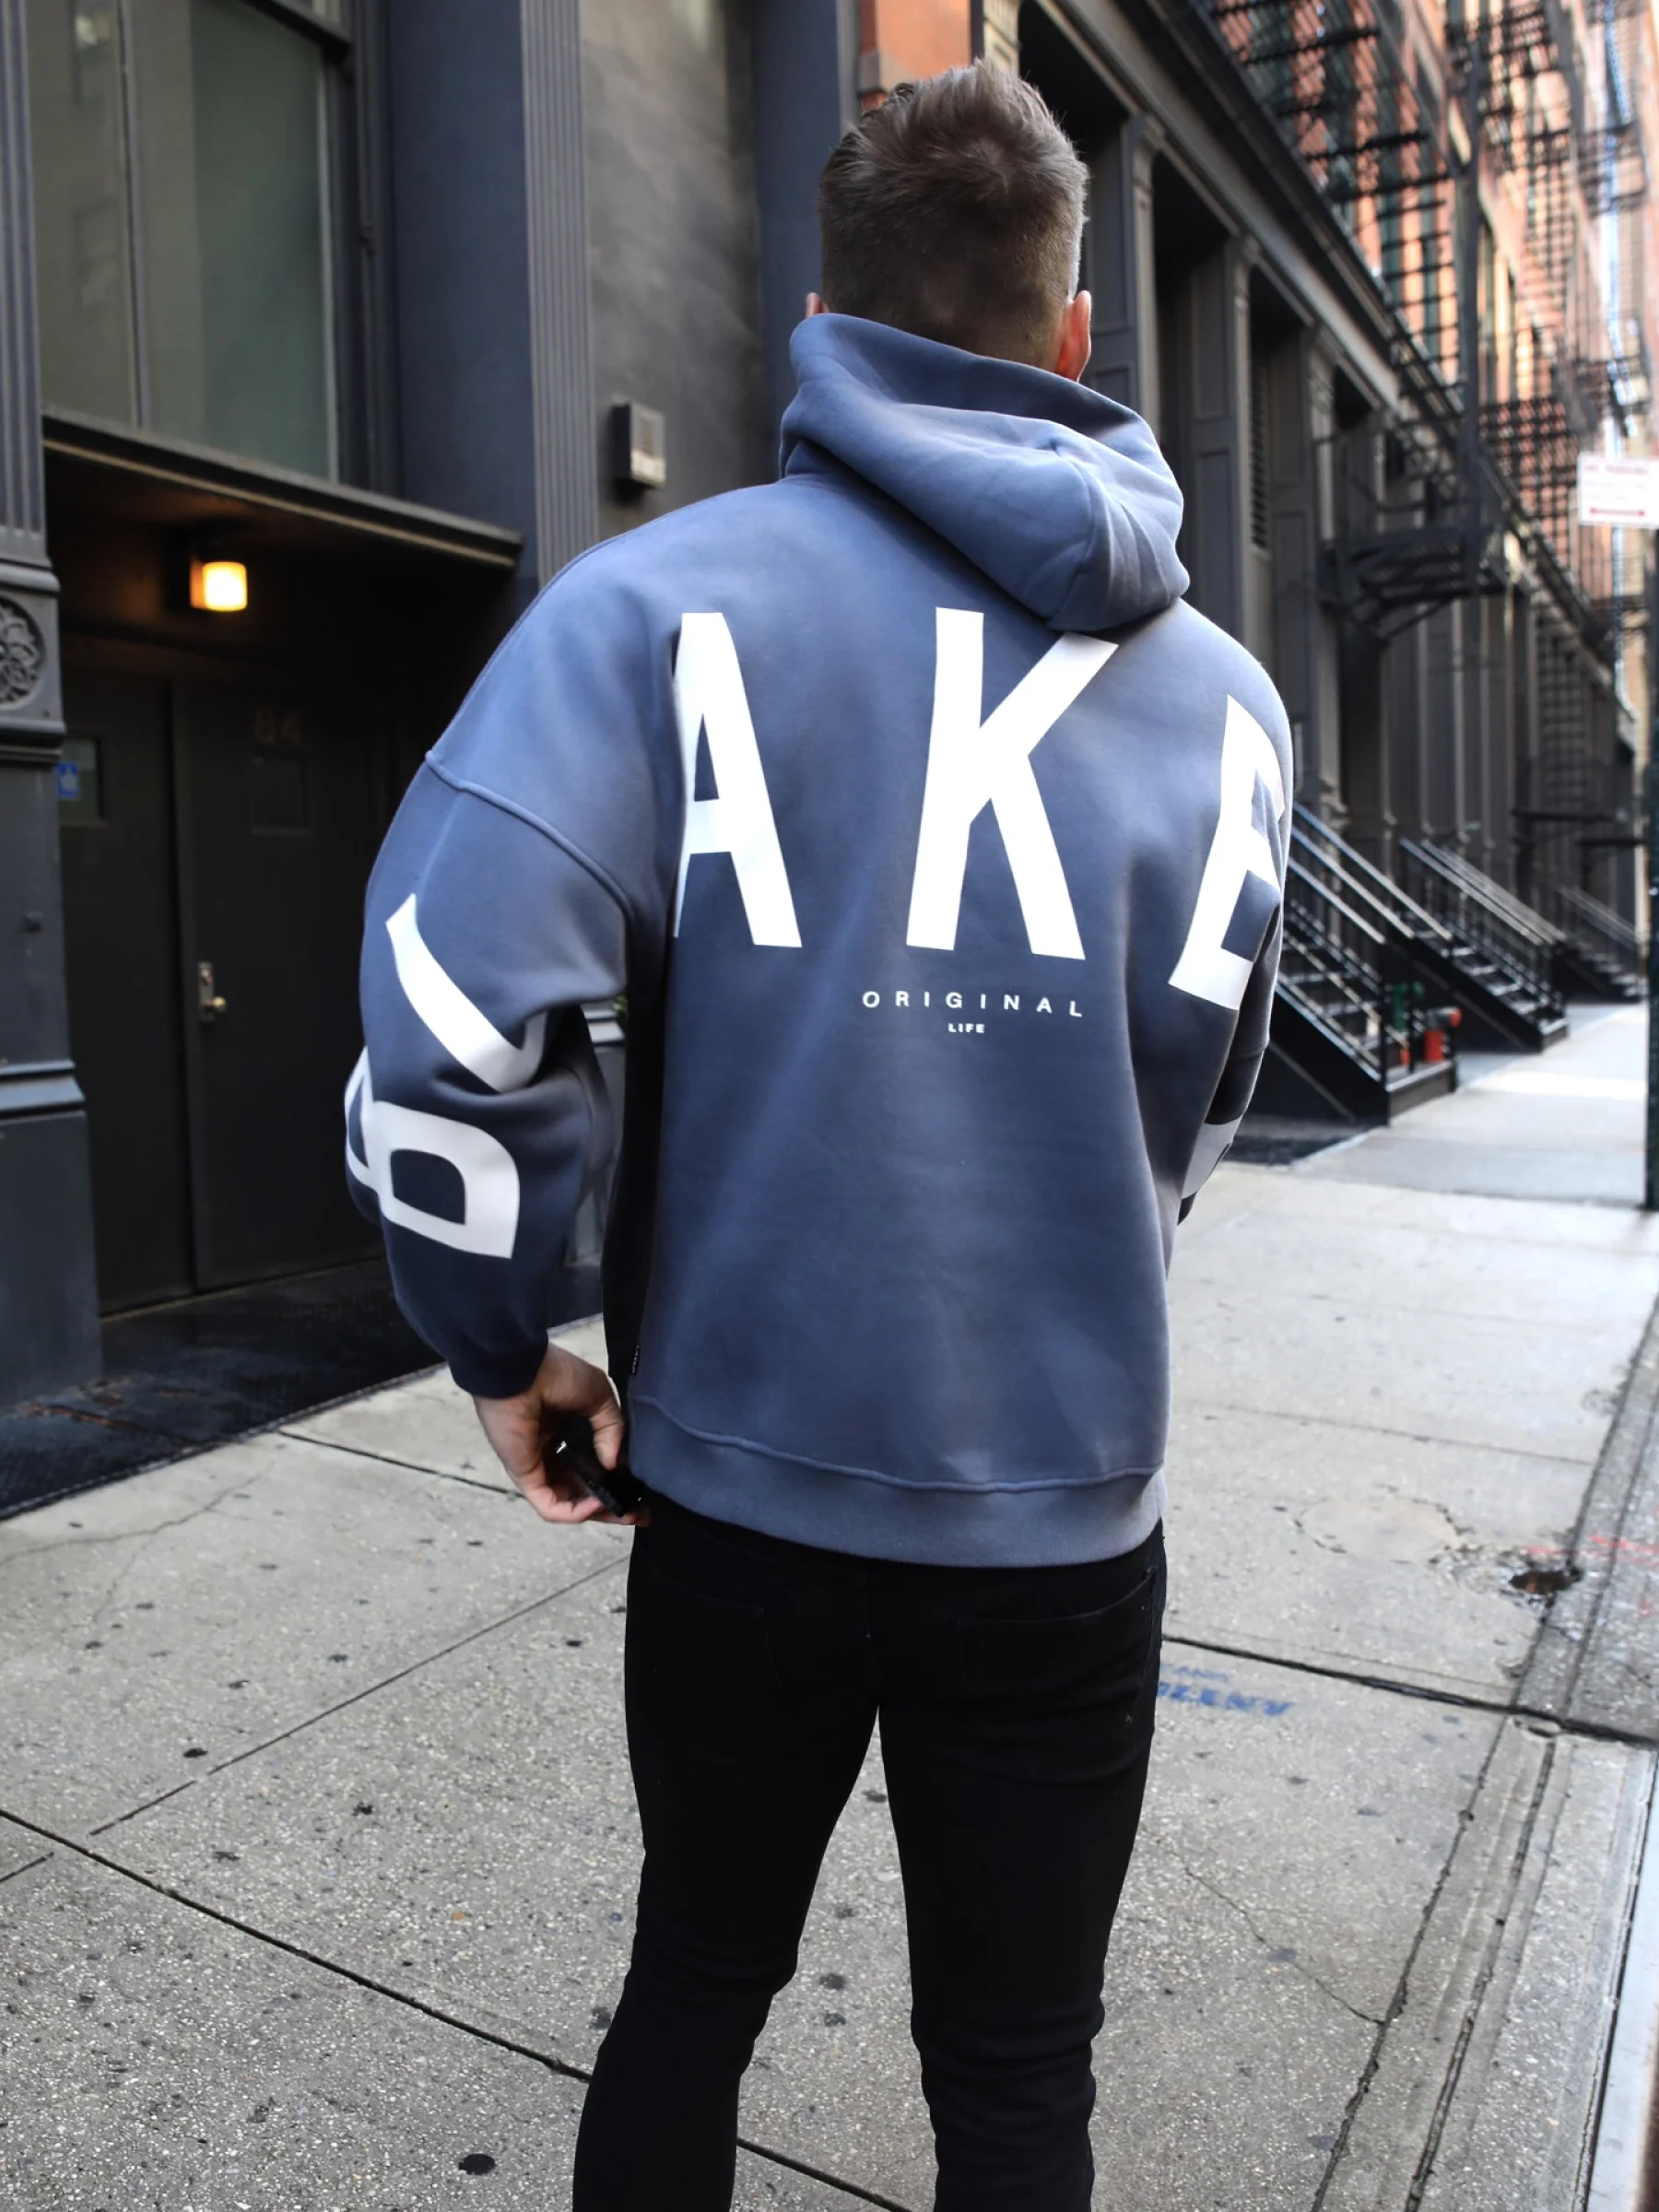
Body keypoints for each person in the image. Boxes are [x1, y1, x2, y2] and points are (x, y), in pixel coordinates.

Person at [347, 60, 1288, 2212]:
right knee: (1021, 2080)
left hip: (742, 1495)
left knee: (692, 1993)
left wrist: (499, 1339)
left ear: (818, 313)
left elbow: (443, 1024)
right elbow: (1203, 1093)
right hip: (1062, 1517)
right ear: (1076, 331)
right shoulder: (1235, 708)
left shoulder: (645, 615)